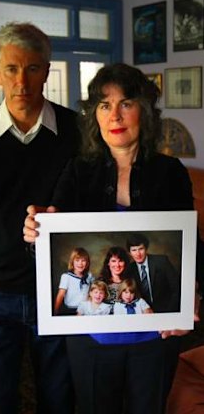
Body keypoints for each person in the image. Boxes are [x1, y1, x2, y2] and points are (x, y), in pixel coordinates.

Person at [23, 63, 199, 414]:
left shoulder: (171, 173)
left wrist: (193, 297)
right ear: (95, 116)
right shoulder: (77, 170)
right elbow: (51, 241)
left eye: (126, 103)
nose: (114, 115)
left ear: (144, 113)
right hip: (92, 339)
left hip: (153, 339)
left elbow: (192, 247)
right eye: (104, 105)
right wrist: (35, 235)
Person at [0, 21, 80, 414]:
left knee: (59, 396)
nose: (22, 80)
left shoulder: (77, 131)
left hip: (59, 290)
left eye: (33, 68)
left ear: (47, 71)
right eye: (11, 69)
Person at [125, 232, 180, 312]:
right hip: (143, 313)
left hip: (166, 310)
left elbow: (176, 288)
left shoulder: (162, 261)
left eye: (141, 249)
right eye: (134, 250)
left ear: (146, 249)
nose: (138, 254)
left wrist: (169, 312)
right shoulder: (129, 269)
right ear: (130, 253)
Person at [54, 247, 93, 315]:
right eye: (77, 260)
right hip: (71, 309)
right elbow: (60, 295)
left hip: (85, 309)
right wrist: (55, 311)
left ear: (87, 263)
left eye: (83, 260)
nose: (80, 263)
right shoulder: (66, 277)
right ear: (72, 262)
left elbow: (92, 291)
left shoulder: (89, 276)